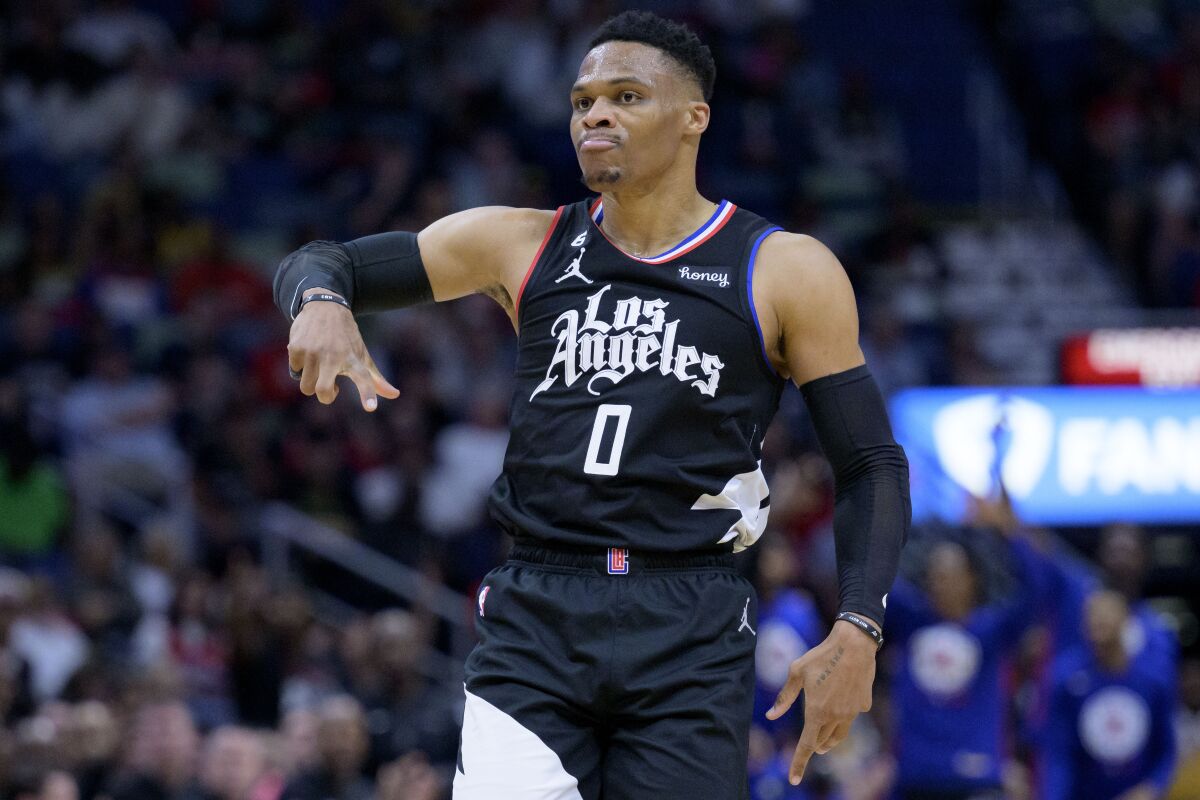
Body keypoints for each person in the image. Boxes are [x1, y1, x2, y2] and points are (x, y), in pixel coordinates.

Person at [274, 11, 909, 798]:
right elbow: (326, 260)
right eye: (582, 102)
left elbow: (870, 463)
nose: (595, 115)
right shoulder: (523, 242)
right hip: (538, 610)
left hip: (691, 617)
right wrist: (321, 301)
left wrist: (859, 626)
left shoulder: (780, 267)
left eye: (625, 96)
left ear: (692, 118)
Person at [1041, 591, 1176, 800]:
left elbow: (1166, 750)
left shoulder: (1153, 680)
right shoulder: (1065, 676)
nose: (1098, 622)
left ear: (1126, 622)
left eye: (1106, 616)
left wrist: (1151, 788)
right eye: (1092, 616)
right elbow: (1058, 752)